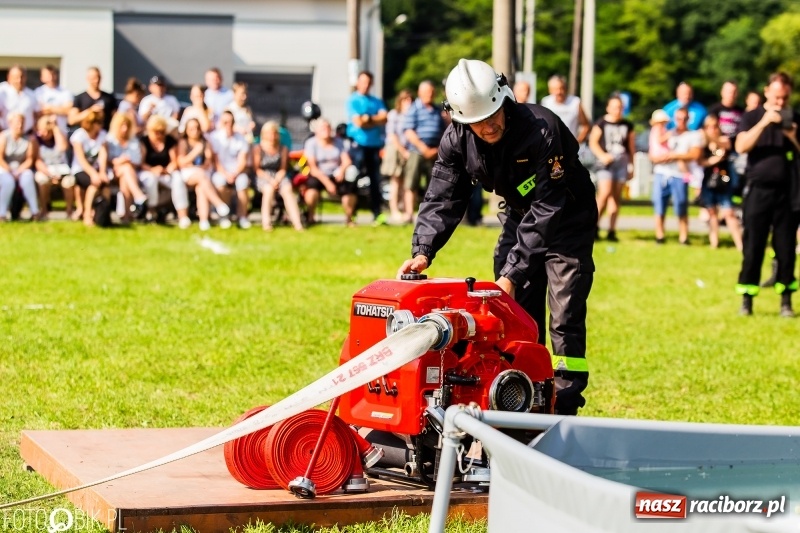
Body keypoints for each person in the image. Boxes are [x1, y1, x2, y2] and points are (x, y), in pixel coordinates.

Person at [397, 59, 597, 416]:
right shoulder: (457, 139)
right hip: (520, 218)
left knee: (564, 315)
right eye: (475, 123)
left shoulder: (542, 129)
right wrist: (423, 250)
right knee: (514, 315)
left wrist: (511, 273)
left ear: (504, 100)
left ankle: (564, 408)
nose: (487, 127)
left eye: (491, 117)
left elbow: (549, 207)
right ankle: (523, 400)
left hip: (567, 219)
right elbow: (444, 195)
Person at [734, 72, 799, 318]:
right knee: (753, 246)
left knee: (785, 248)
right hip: (758, 191)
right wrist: (764, 123)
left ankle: (785, 301)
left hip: (787, 193)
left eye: (785, 98)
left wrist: (792, 135)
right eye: (776, 97)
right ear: (766, 92)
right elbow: (740, 147)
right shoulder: (751, 117)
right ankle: (747, 299)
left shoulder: (794, 119)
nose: (780, 102)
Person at [649, 107, 703, 245]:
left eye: (684, 118)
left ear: (688, 119)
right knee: (659, 204)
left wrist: (675, 155)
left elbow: (695, 155)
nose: (681, 121)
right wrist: (661, 158)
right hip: (662, 172)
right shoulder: (668, 133)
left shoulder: (693, 135)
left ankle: (684, 236)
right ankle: (660, 235)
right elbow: (653, 152)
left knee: (681, 204)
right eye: (678, 118)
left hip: (680, 174)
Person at [589, 94, 635, 242]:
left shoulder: (627, 125)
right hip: (605, 164)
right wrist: (602, 155)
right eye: (615, 107)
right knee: (604, 194)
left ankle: (612, 230)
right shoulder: (601, 123)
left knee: (616, 197)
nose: (618, 110)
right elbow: (593, 142)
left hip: (621, 162)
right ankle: (593, 226)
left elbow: (631, 147)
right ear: (608, 108)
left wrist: (631, 165)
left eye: (620, 107)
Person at [346, 71, 388, 225]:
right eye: (362, 81)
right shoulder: (353, 100)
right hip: (358, 145)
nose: (365, 85)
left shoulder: (376, 101)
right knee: (354, 179)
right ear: (358, 83)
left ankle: (377, 214)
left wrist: (368, 118)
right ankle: (352, 214)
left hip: (374, 146)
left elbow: (385, 118)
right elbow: (359, 122)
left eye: (368, 82)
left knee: (375, 181)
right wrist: (374, 120)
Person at [402, 80, 446, 224]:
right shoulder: (414, 108)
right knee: (411, 183)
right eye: (427, 92)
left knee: (433, 185)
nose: (430, 94)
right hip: (417, 151)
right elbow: (409, 131)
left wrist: (437, 149)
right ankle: (409, 213)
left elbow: (443, 131)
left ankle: (429, 214)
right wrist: (424, 149)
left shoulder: (437, 109)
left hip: (434, 151)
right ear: (420, 93)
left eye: (432, 92)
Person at [176, 117, 231, 231]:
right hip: (188, 174)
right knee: (201, 177)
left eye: (196, 128)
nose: (195, 131)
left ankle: (204, 220)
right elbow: (181, 162)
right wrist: (195, 151)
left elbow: (207, 161)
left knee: (201, 188)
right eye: (191, 129)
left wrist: (198, 166)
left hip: (202, 173)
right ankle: (218, 204)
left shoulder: (206, 142)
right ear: (186, 130)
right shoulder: (183, 142)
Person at [699, 114, 743, 250]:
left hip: (724, 181)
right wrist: (713, 160)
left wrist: (708, 137)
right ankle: (714, 243)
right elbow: (701, 161)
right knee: (712, 212)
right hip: (708, 180)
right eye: (709, 127)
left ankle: (740, 244)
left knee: (729, 213)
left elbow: (725, 147)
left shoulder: (723, 139)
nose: (712, 129)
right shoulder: (703, 143)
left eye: (714, 126)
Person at [304, 118, 358, 226]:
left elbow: (346, 160)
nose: (326, 130)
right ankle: (310, 217)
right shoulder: (311, 143)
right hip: (319, 175)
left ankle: (349, 218)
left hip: (336, 173)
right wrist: (327, 183)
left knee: (349, 189)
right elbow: (313, 167)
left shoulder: (339, 142)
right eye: (323, 128)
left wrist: (342, 171)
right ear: (317, 130)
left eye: (328, 127)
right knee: (311, 189)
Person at [253, 121, 304, 232]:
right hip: (264, 176)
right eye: (270, 133)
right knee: (268, 190)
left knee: (287, 190)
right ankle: (266, 223)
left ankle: (297, 223)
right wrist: (270, 180)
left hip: (279, 175)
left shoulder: (283, 148)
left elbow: (283, 168)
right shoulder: (258, 148)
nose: (272, 136)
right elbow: (257, 169)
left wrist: (277, 179)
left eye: (274, 133)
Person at [139, 115, 189, 227]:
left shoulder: (169, 140)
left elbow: (174, 160)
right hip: (149, 171)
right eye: (156, 132)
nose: (159, 135)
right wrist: (153, 169)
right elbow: (141, 163)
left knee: (178, 179)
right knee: (150, 180)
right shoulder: (144, 141)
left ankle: (183, 215)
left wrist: (169, 168)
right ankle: (151, 211)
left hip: (166, 172)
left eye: (161, 132)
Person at [209, 110, 251, 229]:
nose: (228, 125)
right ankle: (224, 216)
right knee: (220, 183)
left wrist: (235, 173)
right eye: (225, 122)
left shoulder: (240, 139)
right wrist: (226, 174)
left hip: (237, 172)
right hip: (220, 172)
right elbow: (216, 161)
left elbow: (242, 160)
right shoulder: (215, 138)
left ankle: (242, 216)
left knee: (243, 182)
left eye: (231, 122)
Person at [69, 109, 109, 226]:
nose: (101, 125)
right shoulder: (79, 135)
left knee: (105, 186)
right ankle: (87, 215)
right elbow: (81, 159)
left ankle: (103, 217)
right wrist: (93, 174)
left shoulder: (102, 135)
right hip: (81, 170)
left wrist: (102, 172)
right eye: (98, 123)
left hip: (96, 170)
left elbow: (103, 155)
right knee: (94, 185)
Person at [106, 113, 148, 222]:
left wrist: (127, 161)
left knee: (126, 176)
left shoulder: (133, 141)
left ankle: (126, 215)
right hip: (112, 171)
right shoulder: (109, 140)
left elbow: (137, 160)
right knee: (126, 168)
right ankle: (138, 196)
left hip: (129, 172)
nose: (124, 129)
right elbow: (106, 159)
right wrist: (120, 161)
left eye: (127, 126)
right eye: (122, 126)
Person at [380, 90, 413, 222]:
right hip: (395, 149)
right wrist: (402, 150)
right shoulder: (394, 114)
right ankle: (394, 209)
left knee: (406, 182)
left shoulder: (412, 115)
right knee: (395, 181)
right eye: (405, 100)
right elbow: (392, 135)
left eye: (410, 100)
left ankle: (405, 209)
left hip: (408, 149)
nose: (408, 102)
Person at [33, 115, 74, 220]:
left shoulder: (58, 136)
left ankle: (69, 211)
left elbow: (62, 148)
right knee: (42, 180)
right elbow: (37, 161)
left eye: (48, 131)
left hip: (62, 171)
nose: (45, 134)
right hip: (46, 171)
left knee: (68, 182)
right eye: (43, 131)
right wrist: (50, 175)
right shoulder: (36, 140)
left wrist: (55, 128)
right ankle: (44, 211)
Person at [0, 112, 39, 221]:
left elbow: (30, 159)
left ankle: (35, 211)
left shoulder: (29, 139)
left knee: (28, 178)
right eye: (17, 123)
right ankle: (1, 213)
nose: (20, 125)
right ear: (10, 123)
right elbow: (0, 158)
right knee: (8, 182)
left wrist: (18, 171)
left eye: (22, 122)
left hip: (21, 168)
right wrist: (10, 172)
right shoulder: (3, 137)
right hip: (4, 168)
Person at [540, 75, 590, 143]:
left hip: (569, 144)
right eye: (555, 89)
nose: (559, 92)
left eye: (561, 88)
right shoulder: (546, 102)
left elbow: (586, 125)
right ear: (550, 90)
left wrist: (577, 142)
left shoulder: (575, 102)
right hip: (551, 145)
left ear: (566, 88)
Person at [69, 66, 117, 132]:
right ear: (87, 79)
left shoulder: (109, 98)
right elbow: (72, 120)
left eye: (98, 77)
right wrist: (90, 111)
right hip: (85, 136)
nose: (96, 80)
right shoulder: (80, 98)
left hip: (105, 135)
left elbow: (116, 119)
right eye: (94, 78)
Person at [34, 65, 73, 135]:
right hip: (44, 133)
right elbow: (38, 112)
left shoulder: (65, 92)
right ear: (42, 77)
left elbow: (68, 110)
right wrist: (60, 109)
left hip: (62, 131)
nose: (51, 78)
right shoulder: (38, 92)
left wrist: (49, 108)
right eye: (48, 75)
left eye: (53, 74)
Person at [0, 65, 39, 133]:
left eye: (22, 77)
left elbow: (36, 115)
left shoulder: (32, 95)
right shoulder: (2, 91)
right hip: (5, 135)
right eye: (16, 77)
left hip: (26, 135)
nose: (19, 80)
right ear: (9, 77)